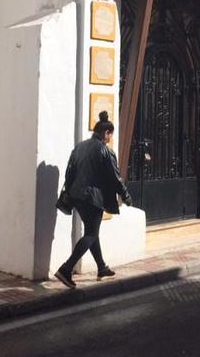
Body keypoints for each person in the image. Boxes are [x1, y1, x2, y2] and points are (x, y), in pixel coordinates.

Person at [54, 111, 133, 289]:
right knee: (91, 234)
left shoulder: (80, 146)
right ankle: (66, 269)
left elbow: (70, 171)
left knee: (92, 231)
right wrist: (125, 195)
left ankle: (102, 268)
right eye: (111, 134)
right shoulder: (106, 150)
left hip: (76, 196)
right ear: (106, 133)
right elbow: (115, 177)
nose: (111, 138)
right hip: (93, 198)